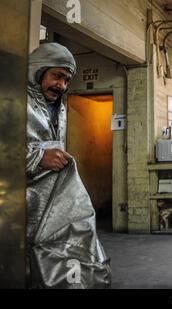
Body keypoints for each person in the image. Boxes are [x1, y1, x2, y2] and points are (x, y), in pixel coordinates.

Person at [26, 43, 111, 288]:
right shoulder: (11, 100)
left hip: (51, 201)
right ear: (38, 71)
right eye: (57, 76)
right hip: (16, 203)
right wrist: (36, 158)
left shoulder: (58, 106)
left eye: (66, 80)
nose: (61, 85)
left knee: (70, 248)